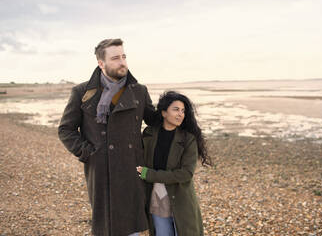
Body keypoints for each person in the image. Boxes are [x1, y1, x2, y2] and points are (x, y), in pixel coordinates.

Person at [58, 38, 156, 236]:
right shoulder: (82, 92)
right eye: (115, 58)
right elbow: (66, 130)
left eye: (123, 56)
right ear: (101, 63)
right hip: (101, 169)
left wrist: (176, 110)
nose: (122, 62)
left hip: (131, 167)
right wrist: (89, 153)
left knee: (131, 226)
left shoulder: (139, 91)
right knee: (106, 226)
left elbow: (154, 124)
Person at [136, 91, 212, 236]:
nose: (180, 114)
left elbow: (186, 174)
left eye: (183, 111)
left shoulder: (188, 139)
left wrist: (149, 174)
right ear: (164, 113)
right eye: (176, 109)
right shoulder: (149, 134)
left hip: (181, 198)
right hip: (156, 198)